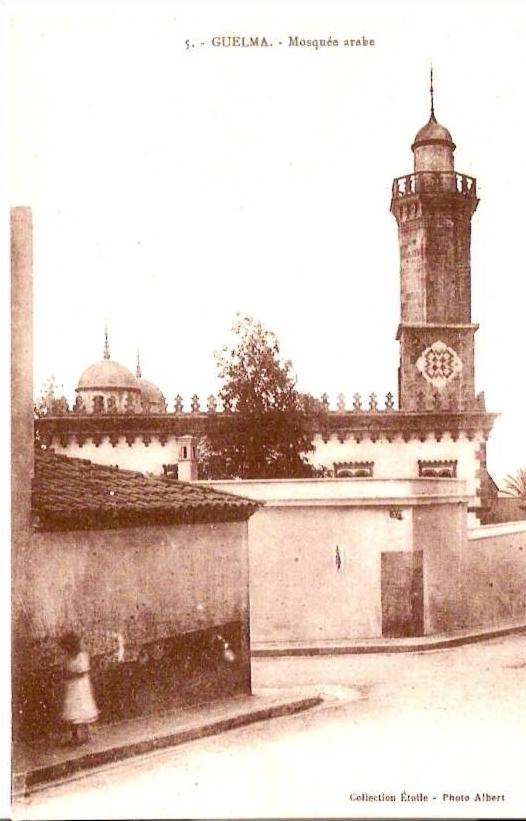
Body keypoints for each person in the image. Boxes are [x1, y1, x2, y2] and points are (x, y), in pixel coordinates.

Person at [58, 631, 99, 745]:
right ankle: (75, 736)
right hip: (71, 687)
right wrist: (66, 675)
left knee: (83, 709)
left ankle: (86, 735)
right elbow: (64, 671)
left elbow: (83, 672)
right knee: (72, 710)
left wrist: (71, 674)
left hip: (81, 686)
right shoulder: (67, 658)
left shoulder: (82, 656)